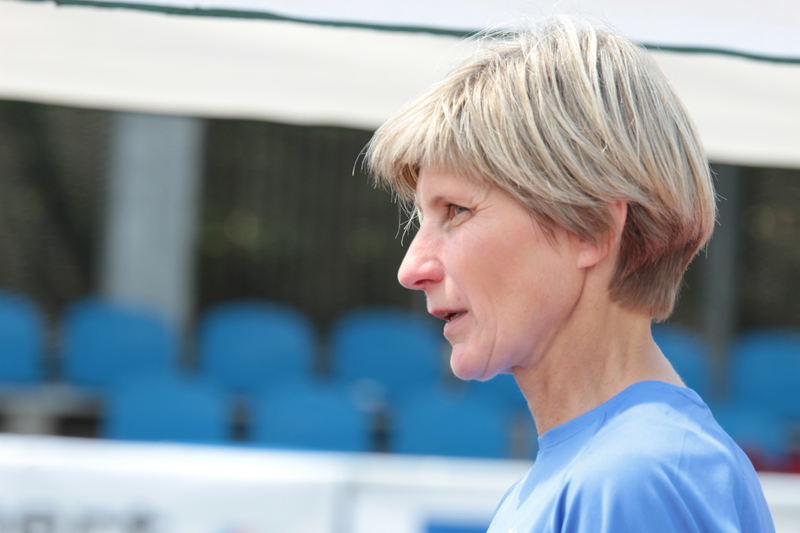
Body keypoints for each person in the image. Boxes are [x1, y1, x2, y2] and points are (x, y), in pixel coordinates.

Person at [365, 16, 775, 533]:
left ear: (592, 228)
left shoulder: (635, 479)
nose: (412, 269)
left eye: (457, 211)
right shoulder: (603, 472)